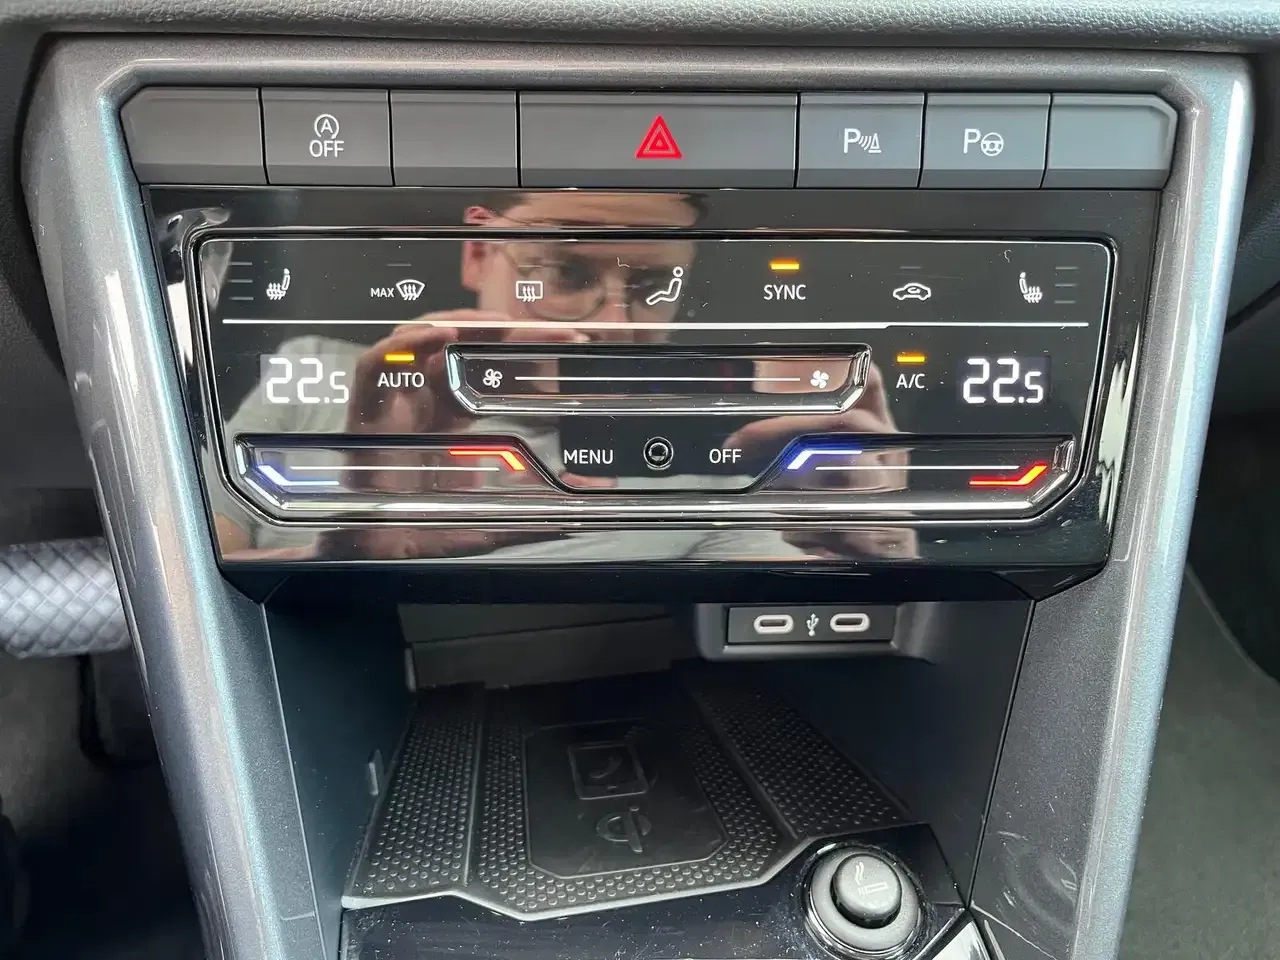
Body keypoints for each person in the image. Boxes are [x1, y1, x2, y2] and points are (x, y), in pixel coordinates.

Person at [210, 192, 914, 561]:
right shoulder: (315, 367)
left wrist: (882, 551)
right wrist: (341, 554)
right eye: (567, 271)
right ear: (479, 251)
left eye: (656, 287)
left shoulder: (724, 458)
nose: (616, 325)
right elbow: (199, 570)